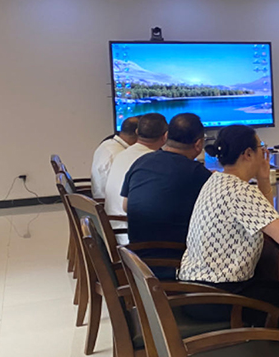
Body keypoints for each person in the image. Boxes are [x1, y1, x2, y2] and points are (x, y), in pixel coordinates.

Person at [178, 124, 279, 333]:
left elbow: (265, 218)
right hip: (219, 295)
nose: (264, 152)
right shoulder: (240, 191)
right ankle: (269, 350)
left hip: (196, 289)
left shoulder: (217, 179)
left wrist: (263, 179)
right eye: (261, 147)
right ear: (248, 153)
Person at [120, 113, 211, 277]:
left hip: (136, 260)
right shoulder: (198, 173)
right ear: (198, 144)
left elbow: (126, 206)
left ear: (167, 136)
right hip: (173, 263)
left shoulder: (142, 162)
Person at [104, 113, 168, 243]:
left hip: (113, 228)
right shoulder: (153, 161)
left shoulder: (121, 154)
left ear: (137, 132)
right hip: (131, 236)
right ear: (165, 136)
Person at [90, 116, 138, 199]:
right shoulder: (121, 156)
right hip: (107, 202)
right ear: (137, 133)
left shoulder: (106, 143)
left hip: (98, 198)